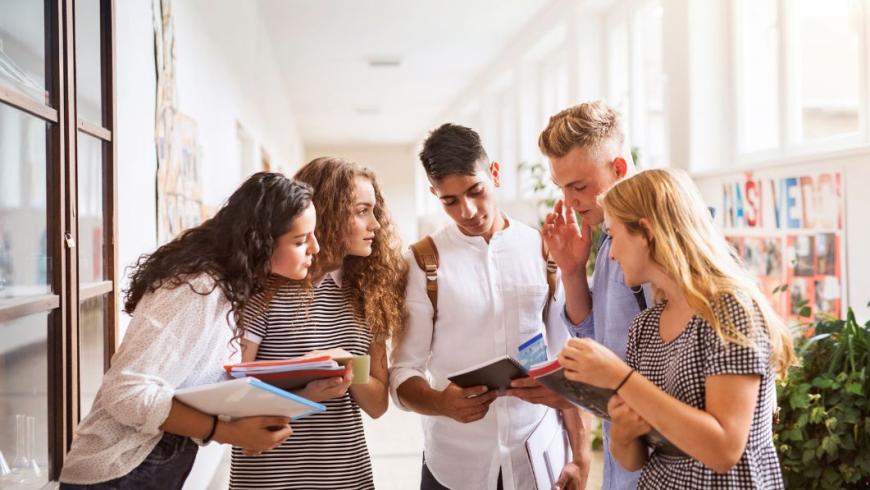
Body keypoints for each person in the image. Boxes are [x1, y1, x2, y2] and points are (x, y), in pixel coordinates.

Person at [60, 173, 318, 488]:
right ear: (260, 241)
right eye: (301, 240)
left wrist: (307, 378)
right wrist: (230, 432)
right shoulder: (199, 287)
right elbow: (125, 393)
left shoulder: (229, 288)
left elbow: (199, 382)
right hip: (117, 472)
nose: (314, 248)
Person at [558, 168, 795, 489]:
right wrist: (625, 436)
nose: (611, 253)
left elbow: (724, 449)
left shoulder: (729, 311)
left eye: (614, 236)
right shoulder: (645, 326)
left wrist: (620, 378)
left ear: (646, 232)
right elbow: (635, 459)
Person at [390, 123, 590, 490]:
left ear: (494, 174)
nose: (467, 210)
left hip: (536, 456)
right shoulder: (423, 262)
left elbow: (566, 356)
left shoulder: (543, 249)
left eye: (475, 191)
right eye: (449, 200)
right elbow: (403, 372)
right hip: (454, 465)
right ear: (435, 194)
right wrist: (440, 403)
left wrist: (579, 454)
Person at [230, 157, 407, 490]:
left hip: (345, 476)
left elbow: (378, 404)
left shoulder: (370, 292)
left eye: (374, 211)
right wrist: (304, 392)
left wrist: (345, 364)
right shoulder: (264, 289)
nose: (376, 225)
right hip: (268, 478)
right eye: (361, 211)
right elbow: (231, 394)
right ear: (325, 212)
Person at [538, 101, 647, 489]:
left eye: (579, 186)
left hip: (657, 459)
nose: (569, 201)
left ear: (618, 168)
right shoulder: (607, 236)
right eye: (562, 188)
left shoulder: (654, 240)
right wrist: (571, 269)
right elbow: (598, 338)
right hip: (623, 456)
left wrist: (573, 393)